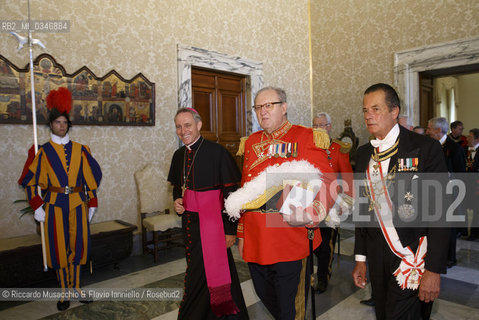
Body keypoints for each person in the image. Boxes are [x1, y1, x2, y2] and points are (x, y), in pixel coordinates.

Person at [225, 86, 333, 319]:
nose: (262, 112)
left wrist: (313, 213)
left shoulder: (305, 137)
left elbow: (327, 182)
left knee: (291, 309)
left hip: (290, 237)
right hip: (256, 238)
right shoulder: (251, 143)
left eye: (268, 106)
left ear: (283, 107)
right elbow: (245, 191)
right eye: (258, 107)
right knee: (267, 297)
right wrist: (242, 234)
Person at [352, 83, 449, 320]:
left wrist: (434, 269)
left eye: (376, 109)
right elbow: (364, 210)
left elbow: (441, 212)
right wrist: (360, 258)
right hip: (376, 254)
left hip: (412, 256)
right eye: (365, 110)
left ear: (394, 111)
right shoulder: (364, 153)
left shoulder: (425, 148)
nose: (368, 116)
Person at [19, 87, 102, 311]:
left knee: (78, 246)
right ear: (51, 125)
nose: (62, 126)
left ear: (68, 125)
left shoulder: (81, 149)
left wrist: (91, 203)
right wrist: (37, 205)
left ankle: (76, 287)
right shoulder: (41, 151)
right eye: (58, 123)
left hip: (77, 204)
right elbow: (29, 181)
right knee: (59, 248)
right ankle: (65, 290)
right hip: (54, 206)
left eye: (65, 122)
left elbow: (90, 180)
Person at [167, 107, 248, 320]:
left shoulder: (218, 152)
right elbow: (178, 188)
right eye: (178, 126)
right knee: (201, 273)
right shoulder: (178, 155)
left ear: (199, 125)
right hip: (190, 226)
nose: (183, 130)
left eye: (187, 125)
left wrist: (231, 230)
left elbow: (232, 195)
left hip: (213, 226)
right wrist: (177, 201)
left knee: (202, 275)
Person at [312, 112, 353, 294]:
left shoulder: (338, 148)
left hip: (331, 204)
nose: (318, 128)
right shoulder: (307, 146)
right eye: (315, 125)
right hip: (309, 203)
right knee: (309, 243)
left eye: (322, 125)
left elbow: (348, 178)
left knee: (325, 244)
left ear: (329, 126)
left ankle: (322, 278)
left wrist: (345, 204)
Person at [427, 117, 466, 267]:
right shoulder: (431, 145)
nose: (427, 131)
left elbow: (461, 174)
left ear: (438, 130)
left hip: (450, 194)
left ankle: (450, 257)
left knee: (449, 228)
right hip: (434, 192)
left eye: (429, 128)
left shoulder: (455, 149)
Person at [465, 128, 479, 241]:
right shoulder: (465, 150)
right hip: (467, 184)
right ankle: (468, 232)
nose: (467, 138)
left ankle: (474, 234)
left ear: (477, 139)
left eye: (470, 137)